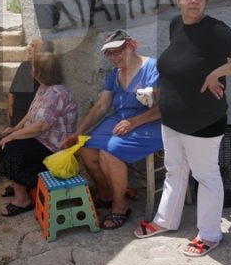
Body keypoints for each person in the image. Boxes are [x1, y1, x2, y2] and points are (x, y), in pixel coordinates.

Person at [134, 0, 231, 257]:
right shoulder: (176, 25)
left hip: (203, 121)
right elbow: (178, 67)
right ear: (178, 0)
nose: (194, 1)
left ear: (205, 1)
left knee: (206, 176)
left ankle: (210, 234)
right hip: (172, 118)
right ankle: (165, 221)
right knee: (175, 171)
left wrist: (219, 71)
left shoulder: (215, 29)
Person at [61, 29, 163, 230]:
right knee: (86, 146)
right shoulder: (115, 75)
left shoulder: (152, 67)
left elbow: (164, 108)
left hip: (150, 122)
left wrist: (134, 122)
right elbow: (100, 106)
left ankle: (120, 206)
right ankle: (107, 193)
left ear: (132, 45)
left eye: (119, 50)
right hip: (122, 119)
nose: (115, 57)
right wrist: (78, 132)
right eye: (110, 53)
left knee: (110, 152)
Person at [0, 51, 78, 216]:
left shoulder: (56, 94)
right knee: (2, 142)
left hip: (52, 148)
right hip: (41, 139)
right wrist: (15, 129)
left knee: (10, 149)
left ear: (39, 71)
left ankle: (22, 199)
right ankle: (20, 183)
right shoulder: (44, 87)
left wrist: (12, 137)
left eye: (33, 66)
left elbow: (40, 127)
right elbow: (31, 113)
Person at [6, 37, 54, 127]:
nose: (28, 48)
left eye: (32, 46)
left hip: (33, 116)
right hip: (18, 113)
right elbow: (12, 93)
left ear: (41, 51)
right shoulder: (25, 66)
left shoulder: (46, 71)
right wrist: (11, 112)